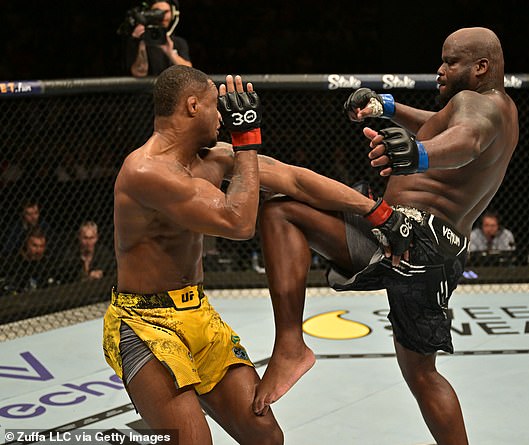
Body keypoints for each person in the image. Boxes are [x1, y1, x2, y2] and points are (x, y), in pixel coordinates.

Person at [102, 65, 407, 444]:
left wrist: (378, 212)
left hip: (196, 312)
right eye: (216, 107)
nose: (222, 116)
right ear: (193, 106)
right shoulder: (145, 171)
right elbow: (238, 222)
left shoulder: (211, 157)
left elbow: (295, 180)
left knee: (266, 437)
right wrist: (246, 139)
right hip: (145, 323)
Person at [253, 27, 519, 445]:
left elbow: (465, 140)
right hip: (415, 241)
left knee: (282, 210)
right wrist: (387, 107)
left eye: (451, 62)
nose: (440, 70)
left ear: (481, 67)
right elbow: (441, 126)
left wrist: (418, 153)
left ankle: (290, 343)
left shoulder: (476, 107)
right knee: (422, 376)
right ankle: (290, 344)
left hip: (416, 238)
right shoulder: (497, 107)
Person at [123, 0, 192, 77]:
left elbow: (189, 73)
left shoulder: (179, 42)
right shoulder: (136, 40)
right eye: (157, 12)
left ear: (173, 13)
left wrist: (170, 53)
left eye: (166, 12)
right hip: (147, 88)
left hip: (172, 88)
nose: (162, 16)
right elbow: (139, 72)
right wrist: (141, 45)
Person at [1, 227, 59, 293]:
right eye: (34, 246)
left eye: (42, 246)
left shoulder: (47, 263)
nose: (38, 250)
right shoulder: (11, 262)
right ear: (26, 244)